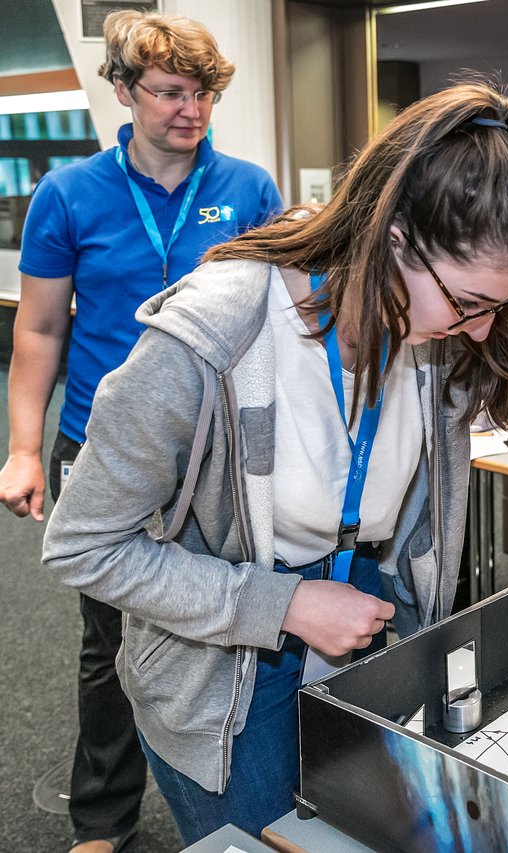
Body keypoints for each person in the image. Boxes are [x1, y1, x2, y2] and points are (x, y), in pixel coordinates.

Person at [40, 80, 508, 844]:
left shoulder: (454, 321)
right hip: (219, 669)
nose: (485, 333)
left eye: (502, 304)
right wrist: (283, 604)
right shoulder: (209, 339)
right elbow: (84, 544)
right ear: (394, 240)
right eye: (470, 302)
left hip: (369, 628)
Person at [0, 11, 281, 852]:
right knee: (111, 641)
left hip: (220, 451)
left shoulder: (248, 189)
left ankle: (251, 796)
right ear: (122, 91)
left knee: (233, 620)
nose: (188, 110)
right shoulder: (70, 194)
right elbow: (41, 330)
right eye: (167, 92)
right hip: (105, 444)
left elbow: (274, 318)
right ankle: (103, 819)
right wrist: (22, 445)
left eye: (201, 94)